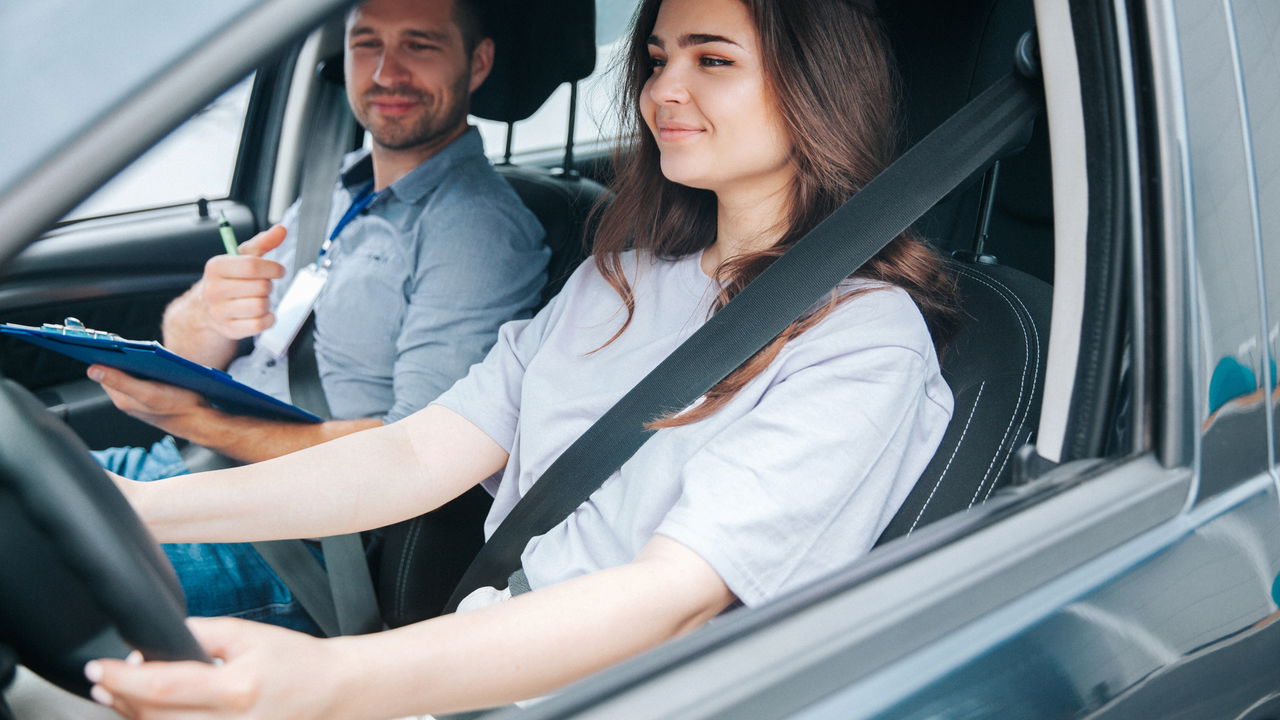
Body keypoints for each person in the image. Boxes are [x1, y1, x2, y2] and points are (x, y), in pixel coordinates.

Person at [87, 0, 959, 716]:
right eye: (656, 58)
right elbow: (415, 452)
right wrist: (136, 510)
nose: (663, 91)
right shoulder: (616, 280)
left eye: (712, 60)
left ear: (816, 89)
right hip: (480, 665)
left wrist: (331, 682)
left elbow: (676, 596)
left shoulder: (863, 340)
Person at [85, 0, 548, 632]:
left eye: (420, 45)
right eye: (366, 44)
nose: (385, 72)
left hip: (300, 540)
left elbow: (410, 451)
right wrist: (211, 309)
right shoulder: (338, 189)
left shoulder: (476, 230)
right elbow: (193, 356)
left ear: (478, 62)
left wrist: (204, 424)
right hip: (190, 471)